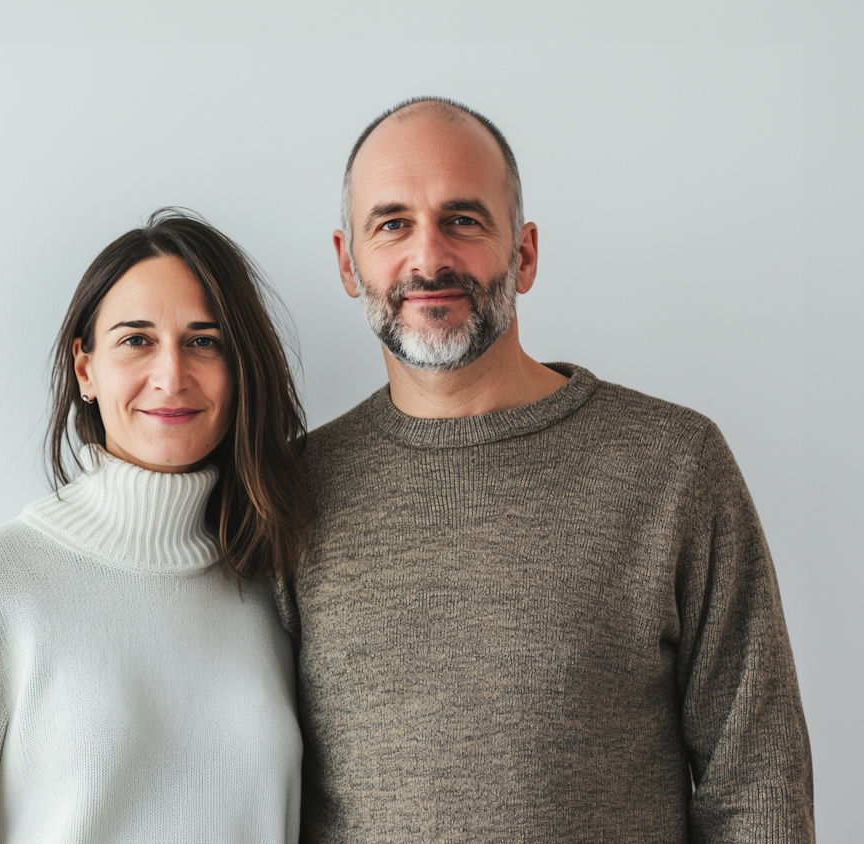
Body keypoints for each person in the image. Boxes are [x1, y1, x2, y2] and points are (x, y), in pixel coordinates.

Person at [280, 97, 814, 842]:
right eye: (392, 224)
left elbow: (756, 783)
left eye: (463, 220)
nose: (428, 258)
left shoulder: (673, 465)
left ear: (524, 254)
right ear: (347, 261)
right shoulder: (293, 489)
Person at [0, 209, 310, 842]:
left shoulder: (274, 581)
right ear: (86, 368)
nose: (171, 375)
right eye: (137, 340)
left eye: (204, 340)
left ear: (240, 369)